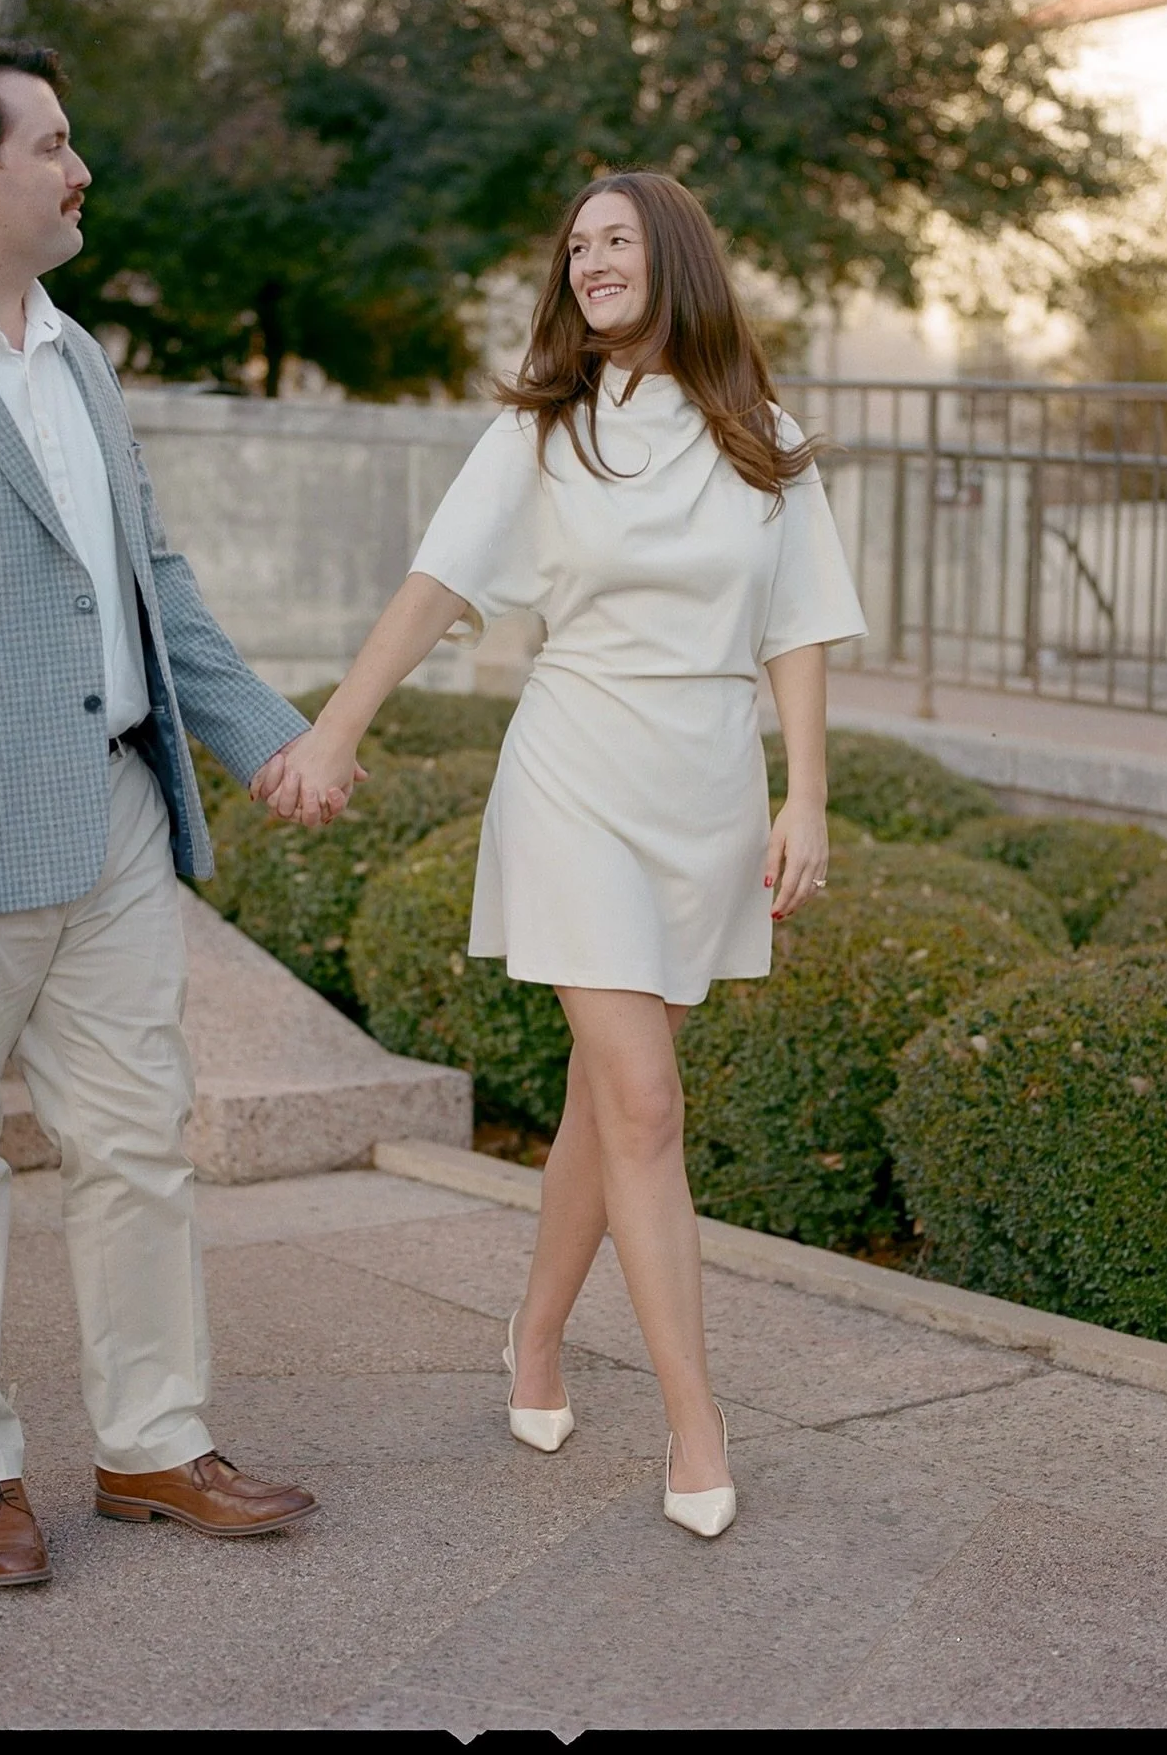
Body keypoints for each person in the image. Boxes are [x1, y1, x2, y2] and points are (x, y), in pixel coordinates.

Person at [256, 170, 868, 1538]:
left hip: (705, 786)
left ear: (677, 259)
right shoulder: (545, 428)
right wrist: (337, 731)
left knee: (611, 1095)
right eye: (576, 244)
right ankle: (697, 1430)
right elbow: (439, 585)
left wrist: (806, 796)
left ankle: (532, 1337)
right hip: (576, 771)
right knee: (647, 1100)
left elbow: (800, 625)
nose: (590, 259)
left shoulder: (763, 436)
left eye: (617, 238)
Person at [0, 35, 338, 1587]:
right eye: (52, 143)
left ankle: (152, 1446)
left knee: (135, 1143)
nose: (79, 167)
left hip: (113, 811)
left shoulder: (82, 352)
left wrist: (266, 738)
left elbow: (149, 584)